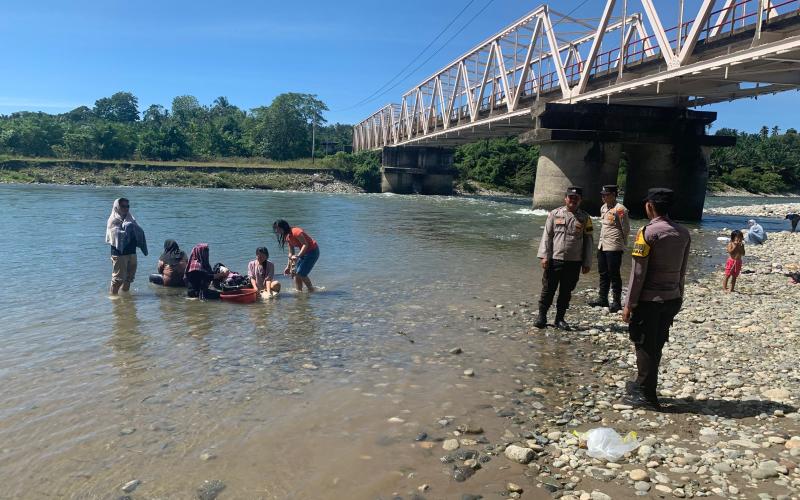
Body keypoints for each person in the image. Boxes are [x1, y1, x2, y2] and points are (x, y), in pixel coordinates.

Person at [622, 188, 691, 411]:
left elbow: (638, 273)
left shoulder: (647, 233)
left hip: (649, 300)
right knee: (656, 344)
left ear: (650, 206)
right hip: (671, 298)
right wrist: (679, 295)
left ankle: (646, 395)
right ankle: (643, 385)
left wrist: (629, 303)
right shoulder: (683, 233)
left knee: (643, 345)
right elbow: (682, 270)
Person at [535, 186, 594, 330]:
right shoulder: (554, 214)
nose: (573, 200)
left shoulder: (586, 218)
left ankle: (559, 319)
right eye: (570, 197)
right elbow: (547, 236)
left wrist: (587, 262)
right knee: (548, 289)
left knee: (566, 292)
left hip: (574, 262)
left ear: (580, 200)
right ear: (565, 198)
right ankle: (542, 316)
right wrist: (544, 256)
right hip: (555, 259)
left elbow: (589, 241)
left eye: (576, 198)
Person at [588, 185, 630, 312]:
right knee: (603, 272)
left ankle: (616, 302)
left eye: (606, 194)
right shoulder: (603, 208)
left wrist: (622, 244)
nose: (603, 197)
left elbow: (626, 229)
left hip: (614, 245)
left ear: (613, 195)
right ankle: (602, 298)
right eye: (602, 194)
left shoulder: (620, 209)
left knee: (614, 274)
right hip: (603, 244)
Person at [106, 198, 148, 295]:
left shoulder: (131, 218)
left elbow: (139, 232)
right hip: (119, 253)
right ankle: (114, 298)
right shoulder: (113, 219)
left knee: (129, 278)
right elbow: (115, 236)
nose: (126, 208)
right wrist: (127, 228)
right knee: (118, 279)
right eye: (123, 206)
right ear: (117, 207)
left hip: (132, 251)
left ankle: (125, 297)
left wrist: (132, 227)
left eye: (127, 206)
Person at [273, 219, 320, 292]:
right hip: (304, 253)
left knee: (301, 273)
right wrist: (288, 267)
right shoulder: (287, 236)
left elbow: (305, 244)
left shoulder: (296, 231)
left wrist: (298, 256)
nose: (276, 231)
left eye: (277, 228)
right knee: (295, 273)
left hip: (313, 251)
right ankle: (299, 291)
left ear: (283, 227)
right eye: (275, 229)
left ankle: (311, 290)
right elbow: (291, 252)